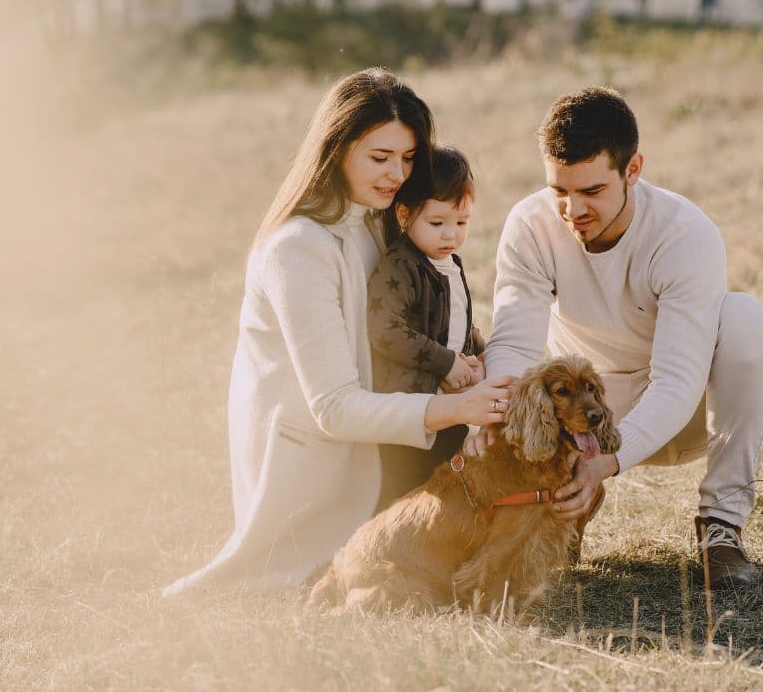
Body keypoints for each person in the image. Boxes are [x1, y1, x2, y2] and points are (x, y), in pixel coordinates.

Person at [163, 68, 513, 596]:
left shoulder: (379, 221)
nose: (397, 173)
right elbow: (334, 406)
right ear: (337, 148)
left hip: (389, 445)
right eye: (379, 158)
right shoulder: (298, 248)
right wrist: (460, 409)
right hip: (319, 469)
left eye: (408, 158)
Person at [480, 87, 763, 589]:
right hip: (578, 410)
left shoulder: (684, 233)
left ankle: (721, 528)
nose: (572, 209)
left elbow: (678, 379)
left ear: (632, 169)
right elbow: (513, 344)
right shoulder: (529, 225)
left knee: (746, 318)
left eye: (592, 191)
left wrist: (607, 461)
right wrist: (507, 427)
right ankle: (559, 501)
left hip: (680, 412)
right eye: (560, 190)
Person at [368, 146, 486, 511]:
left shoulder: (448, 261)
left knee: (446, 484)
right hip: (409, 411)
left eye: (461, 223)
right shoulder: (400, 266)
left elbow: (456, 319)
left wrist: (479, 352)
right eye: (437, 223)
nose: (450, 234)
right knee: (403, 492)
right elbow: (386, 329)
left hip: (450, 406)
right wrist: (447, 362)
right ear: (404, 214)